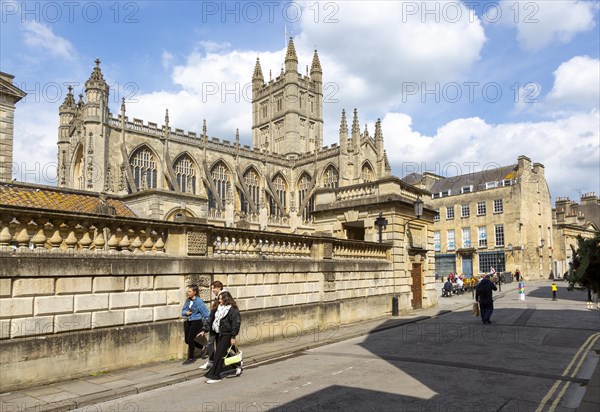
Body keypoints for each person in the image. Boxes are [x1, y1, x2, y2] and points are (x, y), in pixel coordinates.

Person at [201, 291, 242, 383]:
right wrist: (204, 330)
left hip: (227, 335)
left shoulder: (233, 310)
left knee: (219, 355)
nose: (219, 300)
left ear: (226, 298)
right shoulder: (217, 308)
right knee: (222, 354)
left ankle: (216, 376)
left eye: (221, 298)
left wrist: (233, 337)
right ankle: (237, 364)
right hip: (218, 334)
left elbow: (236, 324)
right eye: (218, 298)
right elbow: (211, 319)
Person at [199, 281, 226, 370]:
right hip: (214, 326)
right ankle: (212, 361)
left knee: (224, 346)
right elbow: (212, 314)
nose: (212, 290)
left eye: (214, 288)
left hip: (221, 327)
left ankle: (236, 361)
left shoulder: (224, 296)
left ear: (219, 287)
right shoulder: (217, 297)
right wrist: (205, 328)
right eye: (212, 288)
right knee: (211, 343)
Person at [181, 284, 210, 365]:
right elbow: (183, 311)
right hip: (189, 320)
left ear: (194, 292)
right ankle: (202, 347)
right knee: (187, 340)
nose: (188, 293)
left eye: (190, 291)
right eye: (188, 291)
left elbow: (206, 314)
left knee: (190, 339)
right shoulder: (188, 301)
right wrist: (186, 312)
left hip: (197, 321)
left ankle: (191, 358)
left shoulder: (199, 302)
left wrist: (205, 328)